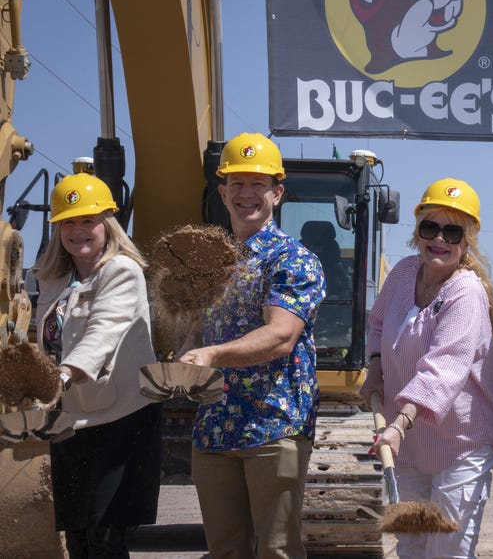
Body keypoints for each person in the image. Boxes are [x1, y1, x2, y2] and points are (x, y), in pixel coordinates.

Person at [178, 132, 326, 559]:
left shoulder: (292, 259)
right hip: (215, 426)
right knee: (224, 550)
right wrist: (182, 361)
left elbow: (280, 335)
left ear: (276, 193)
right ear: (222, 192)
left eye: (257, 184)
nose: (247, 194)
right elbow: (196, 332)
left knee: (276, 551)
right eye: (237, 184)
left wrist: (211, 356)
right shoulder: (211, 262)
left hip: (272, 425)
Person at [358, 177, 493, 558]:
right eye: (430, 227)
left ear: (466, 239)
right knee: (412, 546)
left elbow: (442, 371)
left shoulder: (465, 294)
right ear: (417, 230)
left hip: (460, 445)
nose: (439, 238)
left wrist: (398, 425)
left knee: (447, 549)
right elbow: (377, 325)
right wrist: (376, 368)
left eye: (452, 231)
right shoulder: (404, 274)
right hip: (410, 445)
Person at [34, 172, 162, 559]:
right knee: (77, 537)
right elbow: (45, 342)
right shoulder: (53, 279)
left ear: (107, 223)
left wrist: (60, 376)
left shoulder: (122, 271)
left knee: (106, 537)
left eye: (88, 220)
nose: (78, 231)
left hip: (121, 418)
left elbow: (103, 333)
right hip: (72, 420)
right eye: (68, 222)